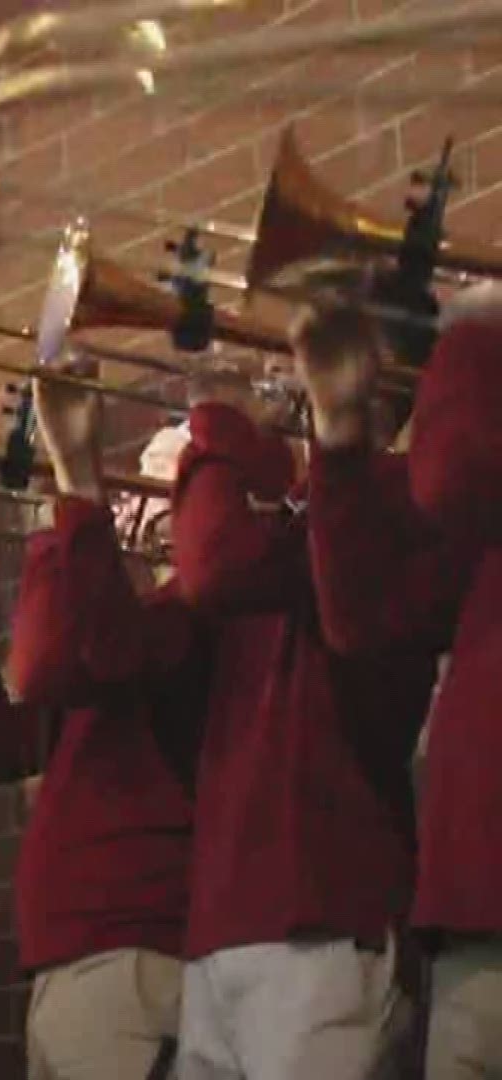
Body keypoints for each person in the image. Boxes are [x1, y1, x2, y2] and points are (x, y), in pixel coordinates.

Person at [0, 364, 208, 1080]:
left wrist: (77, 491)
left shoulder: (191, 620)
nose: (130, 505)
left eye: (154, 487)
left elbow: (69, 657)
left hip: (132, 947)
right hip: (68, 955)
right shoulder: (127, 630)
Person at [163, 347, 433, 1079]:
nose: (278, 372)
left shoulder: (389, 495)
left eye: (301, 350)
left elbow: (217, 568)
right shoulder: (287, 513)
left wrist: (219, 427)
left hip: (320, 911)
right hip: (225, 922)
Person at [294, 283, 502, 1076]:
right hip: (475, 913)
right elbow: (362, 617)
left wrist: (473, 336)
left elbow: (453, 465)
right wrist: (339, 437)